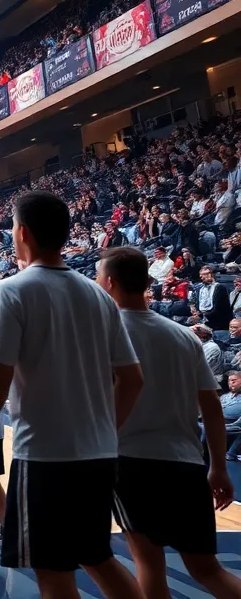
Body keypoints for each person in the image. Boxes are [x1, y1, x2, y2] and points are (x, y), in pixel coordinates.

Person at [0, 191, 144, 598]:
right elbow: (132, 378)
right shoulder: (99, 295)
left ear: (23, 233)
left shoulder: (11, 289)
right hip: (99, 453)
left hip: (45, 455)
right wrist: (107, 428)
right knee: (97, 557)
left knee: (52, 571)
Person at [96, 247, 241, 598]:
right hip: (187, 464)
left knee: (148, 562)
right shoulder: (184, 337)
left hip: (131, 463)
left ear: (109, 283)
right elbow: (212, 407)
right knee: (208, 570)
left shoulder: (102, 334)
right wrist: (218, 467)